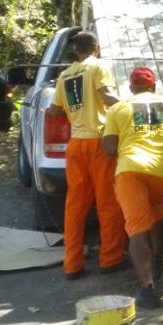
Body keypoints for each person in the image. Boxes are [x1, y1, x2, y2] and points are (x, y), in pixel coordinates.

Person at [102, 67, 163, 310]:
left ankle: (147, 288)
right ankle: (157, 263)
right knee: (157, 213)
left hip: (131, 171)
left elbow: (109, 149)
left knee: (137, 229)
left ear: (131, 88)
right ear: (154, 86)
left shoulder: (118, 109)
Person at [48, 31, 127, 279]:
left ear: (75, 51)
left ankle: (72, 264)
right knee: (108, 203)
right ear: (97, 48)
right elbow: (107, 96)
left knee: (75, 206)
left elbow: (53, 111)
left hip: (76, 145)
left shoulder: (65, 75)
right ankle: (110, 260)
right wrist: (130, 107)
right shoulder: (98, 67)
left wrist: (73, 111)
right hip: (99, 144)